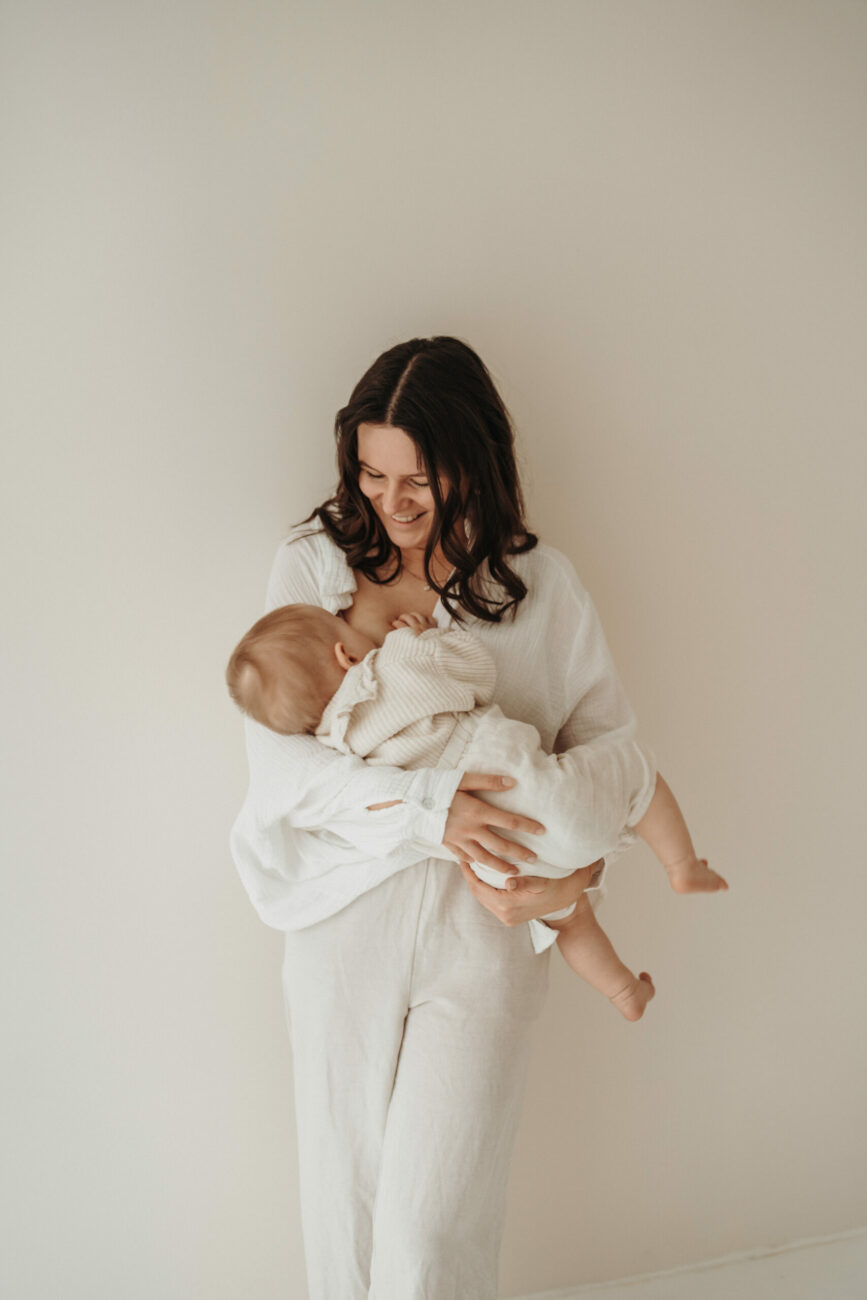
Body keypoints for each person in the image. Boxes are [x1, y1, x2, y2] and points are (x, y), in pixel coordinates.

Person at [229, 336, 707, 1299]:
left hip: (484, 929)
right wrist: (431, 812)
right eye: (371, 475)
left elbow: (601, 756)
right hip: (343, 918)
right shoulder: (311, 569)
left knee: (435, 1222)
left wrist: (574, 876)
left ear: (475, 461)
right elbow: (285, 774)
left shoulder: (544, 588)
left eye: (420, 478)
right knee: (345, 1204)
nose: (393, 503)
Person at [226, 604, 726, 1021]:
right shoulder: (395, 664)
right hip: (544, 795)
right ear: (347, 654)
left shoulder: (340, 749)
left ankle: (623, 991)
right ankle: (682, 865)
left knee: (572, 922)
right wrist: (423, 638)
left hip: (500, 865)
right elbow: (478, 674)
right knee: (636, 770)